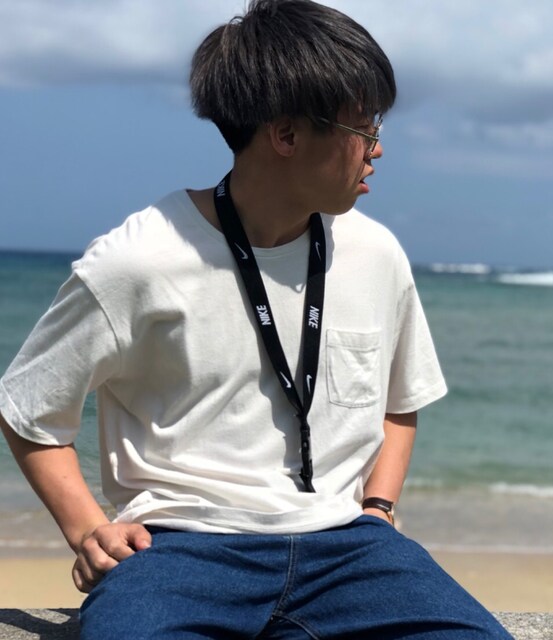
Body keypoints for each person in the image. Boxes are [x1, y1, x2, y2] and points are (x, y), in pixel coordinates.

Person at [0, 1, 513, 638]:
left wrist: (378, 507)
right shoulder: (139, 260)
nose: (378, 149)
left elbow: (399, 401)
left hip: (348, 547)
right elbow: (26, 407)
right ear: (287, 136)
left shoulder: (375, 252)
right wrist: (88, 531)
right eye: (363, 128)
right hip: (180, 547)